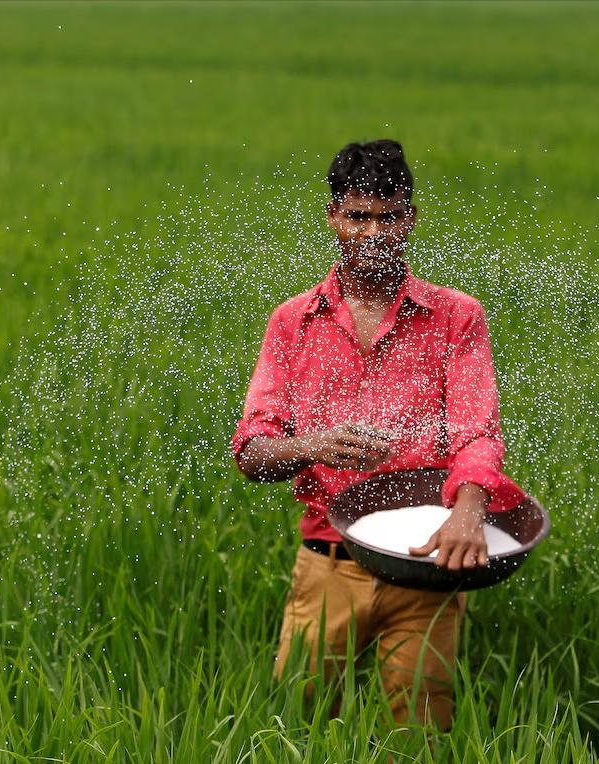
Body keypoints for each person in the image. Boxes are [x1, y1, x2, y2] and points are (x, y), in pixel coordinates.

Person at [231, 139, 524, 732]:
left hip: (425, 567)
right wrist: (312, 446)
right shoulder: (292, 323)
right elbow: (252, 450)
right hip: (328, 563)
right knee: (298, 726)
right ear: (334, 217)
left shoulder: (455, 317)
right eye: (358, 217)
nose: (373, 233)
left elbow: (477, 432)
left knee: (419, 732)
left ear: (410, 218)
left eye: (388, 217)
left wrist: (469, 509)